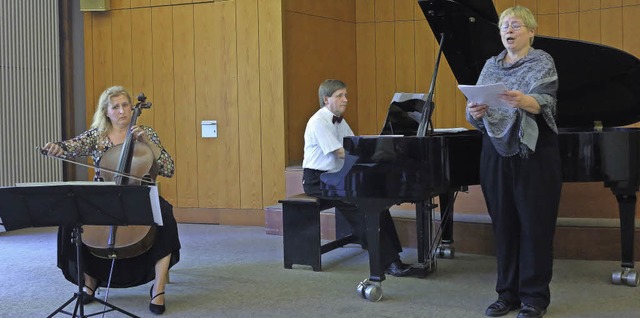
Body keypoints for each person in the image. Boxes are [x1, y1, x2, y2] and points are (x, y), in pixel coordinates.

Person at [42, 86, 180, 315]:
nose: (122, 111)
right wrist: (58, 148)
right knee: (70, 217)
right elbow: (70, 147)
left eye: (125, 105)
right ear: (106, 111)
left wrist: (148, 142)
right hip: (103, 196)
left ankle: (158, 287)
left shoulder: (144, 132)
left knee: (164, 213)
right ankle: (89, 280)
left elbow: (168, 168)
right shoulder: (97, 135)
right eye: (115, 107)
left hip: (137, 195)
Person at [465, 6, 561, 318]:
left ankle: (534, 298)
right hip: (494, 150)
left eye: (516, 25)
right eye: (505, 25)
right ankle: (506, 294)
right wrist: (473, 112)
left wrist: (523, 100)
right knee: (503, 224)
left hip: (532, 150)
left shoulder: (541, 61)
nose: (509, 29)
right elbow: (473, 106)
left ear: (531, 31)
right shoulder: (490, 65)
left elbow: (546, 101)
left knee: (535, 225)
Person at [302, 79, 413, 277]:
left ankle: (393, 255)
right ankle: (388, 262)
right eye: (340, 96)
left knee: (377, 202)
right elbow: (340, 153)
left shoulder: (340, 120)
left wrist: (377, 154)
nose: (345, 100)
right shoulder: (319, 121)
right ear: (326, 99)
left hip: (336, 176)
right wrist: (371, 155)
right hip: (318, 179)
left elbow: (355, 146)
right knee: (361, 205)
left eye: (345, 95)